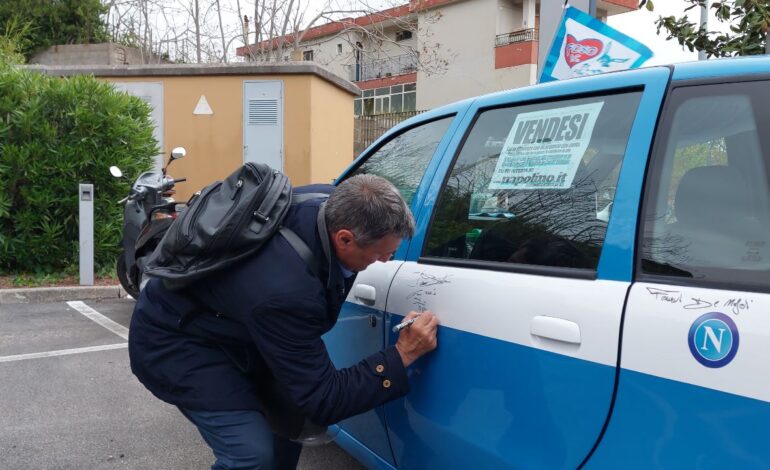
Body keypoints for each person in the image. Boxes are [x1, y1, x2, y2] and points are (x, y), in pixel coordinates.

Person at [128, 174, 439, 470]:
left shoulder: (332, 205)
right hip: (178, 341)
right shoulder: (286, 291)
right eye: (379, 255)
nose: (384, 262)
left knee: (287, 428)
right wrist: (402, 355)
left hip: (235, 325)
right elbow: (325, 399)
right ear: (345, 239)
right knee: (250, 455)